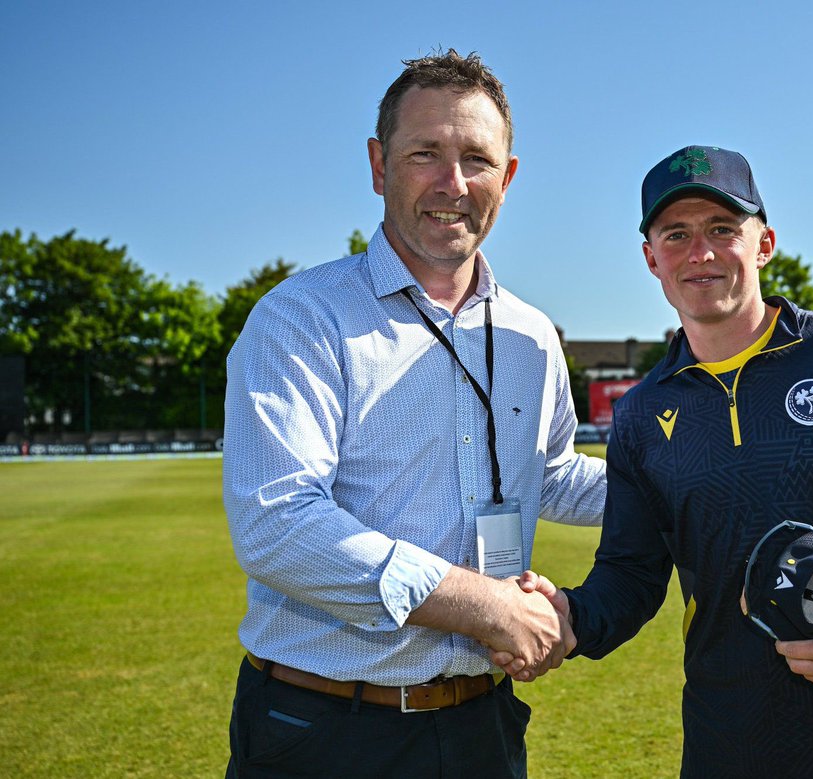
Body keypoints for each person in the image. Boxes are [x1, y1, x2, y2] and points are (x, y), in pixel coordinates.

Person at [501, 146, 813, 777]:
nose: (700, 253)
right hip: (727, 740)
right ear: (650, 258)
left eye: (722, 230)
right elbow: (630, 575)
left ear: (763, 243)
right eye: (676, 234)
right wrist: (568, 617)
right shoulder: (640, 415)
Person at [222, 50, 605, 778]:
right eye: (425, 153)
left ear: (509, 177)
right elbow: (276, 523)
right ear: (378, 164)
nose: (452, 184)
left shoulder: (531, 335)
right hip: (325, 728)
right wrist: (481, 605)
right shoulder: (302, 319)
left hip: (481, 726)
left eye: (476, 159)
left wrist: (700, 481)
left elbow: (550, 475)